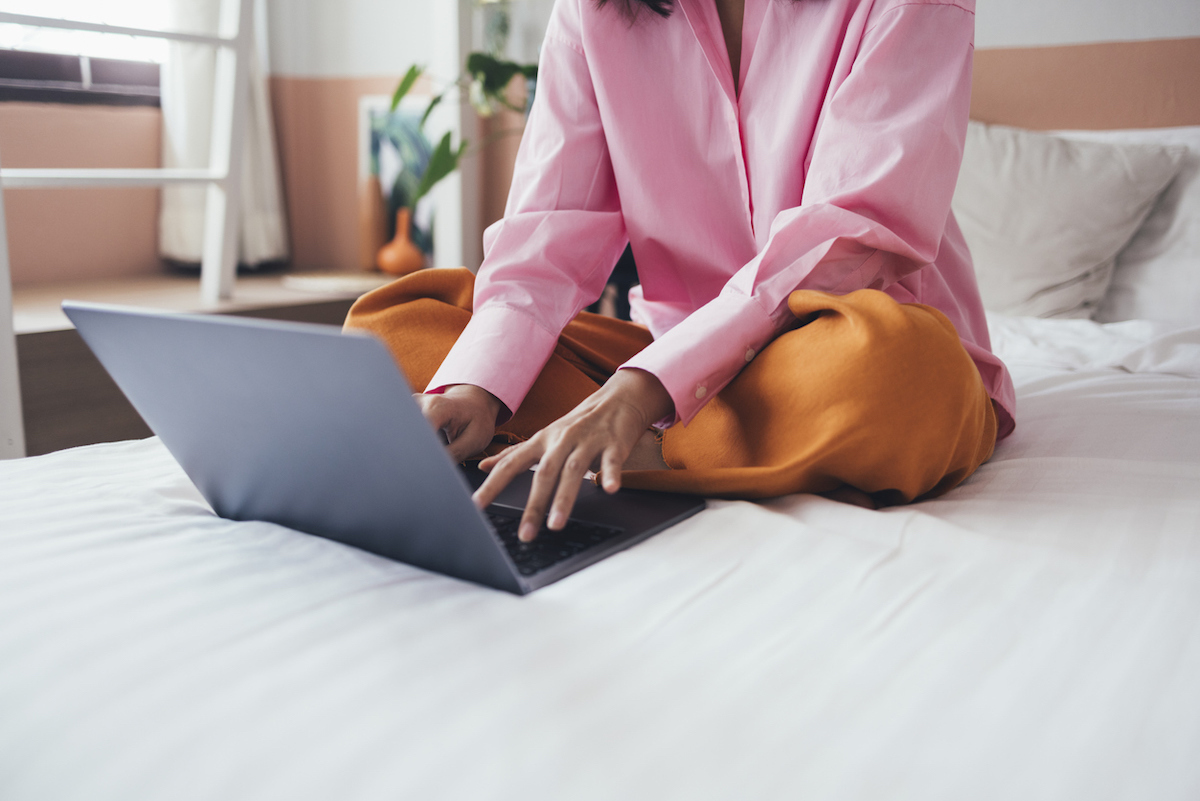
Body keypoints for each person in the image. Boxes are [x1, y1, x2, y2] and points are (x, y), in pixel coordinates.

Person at [346, 0, 1015, 544]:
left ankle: (643, 442)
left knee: (905, 376)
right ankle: (654, 439)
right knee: (397, 327)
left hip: (842, 340)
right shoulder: (594, 11)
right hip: (676, 356)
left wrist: (640, 394)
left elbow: (847, 238)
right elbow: (543, 237)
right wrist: (475, 390)